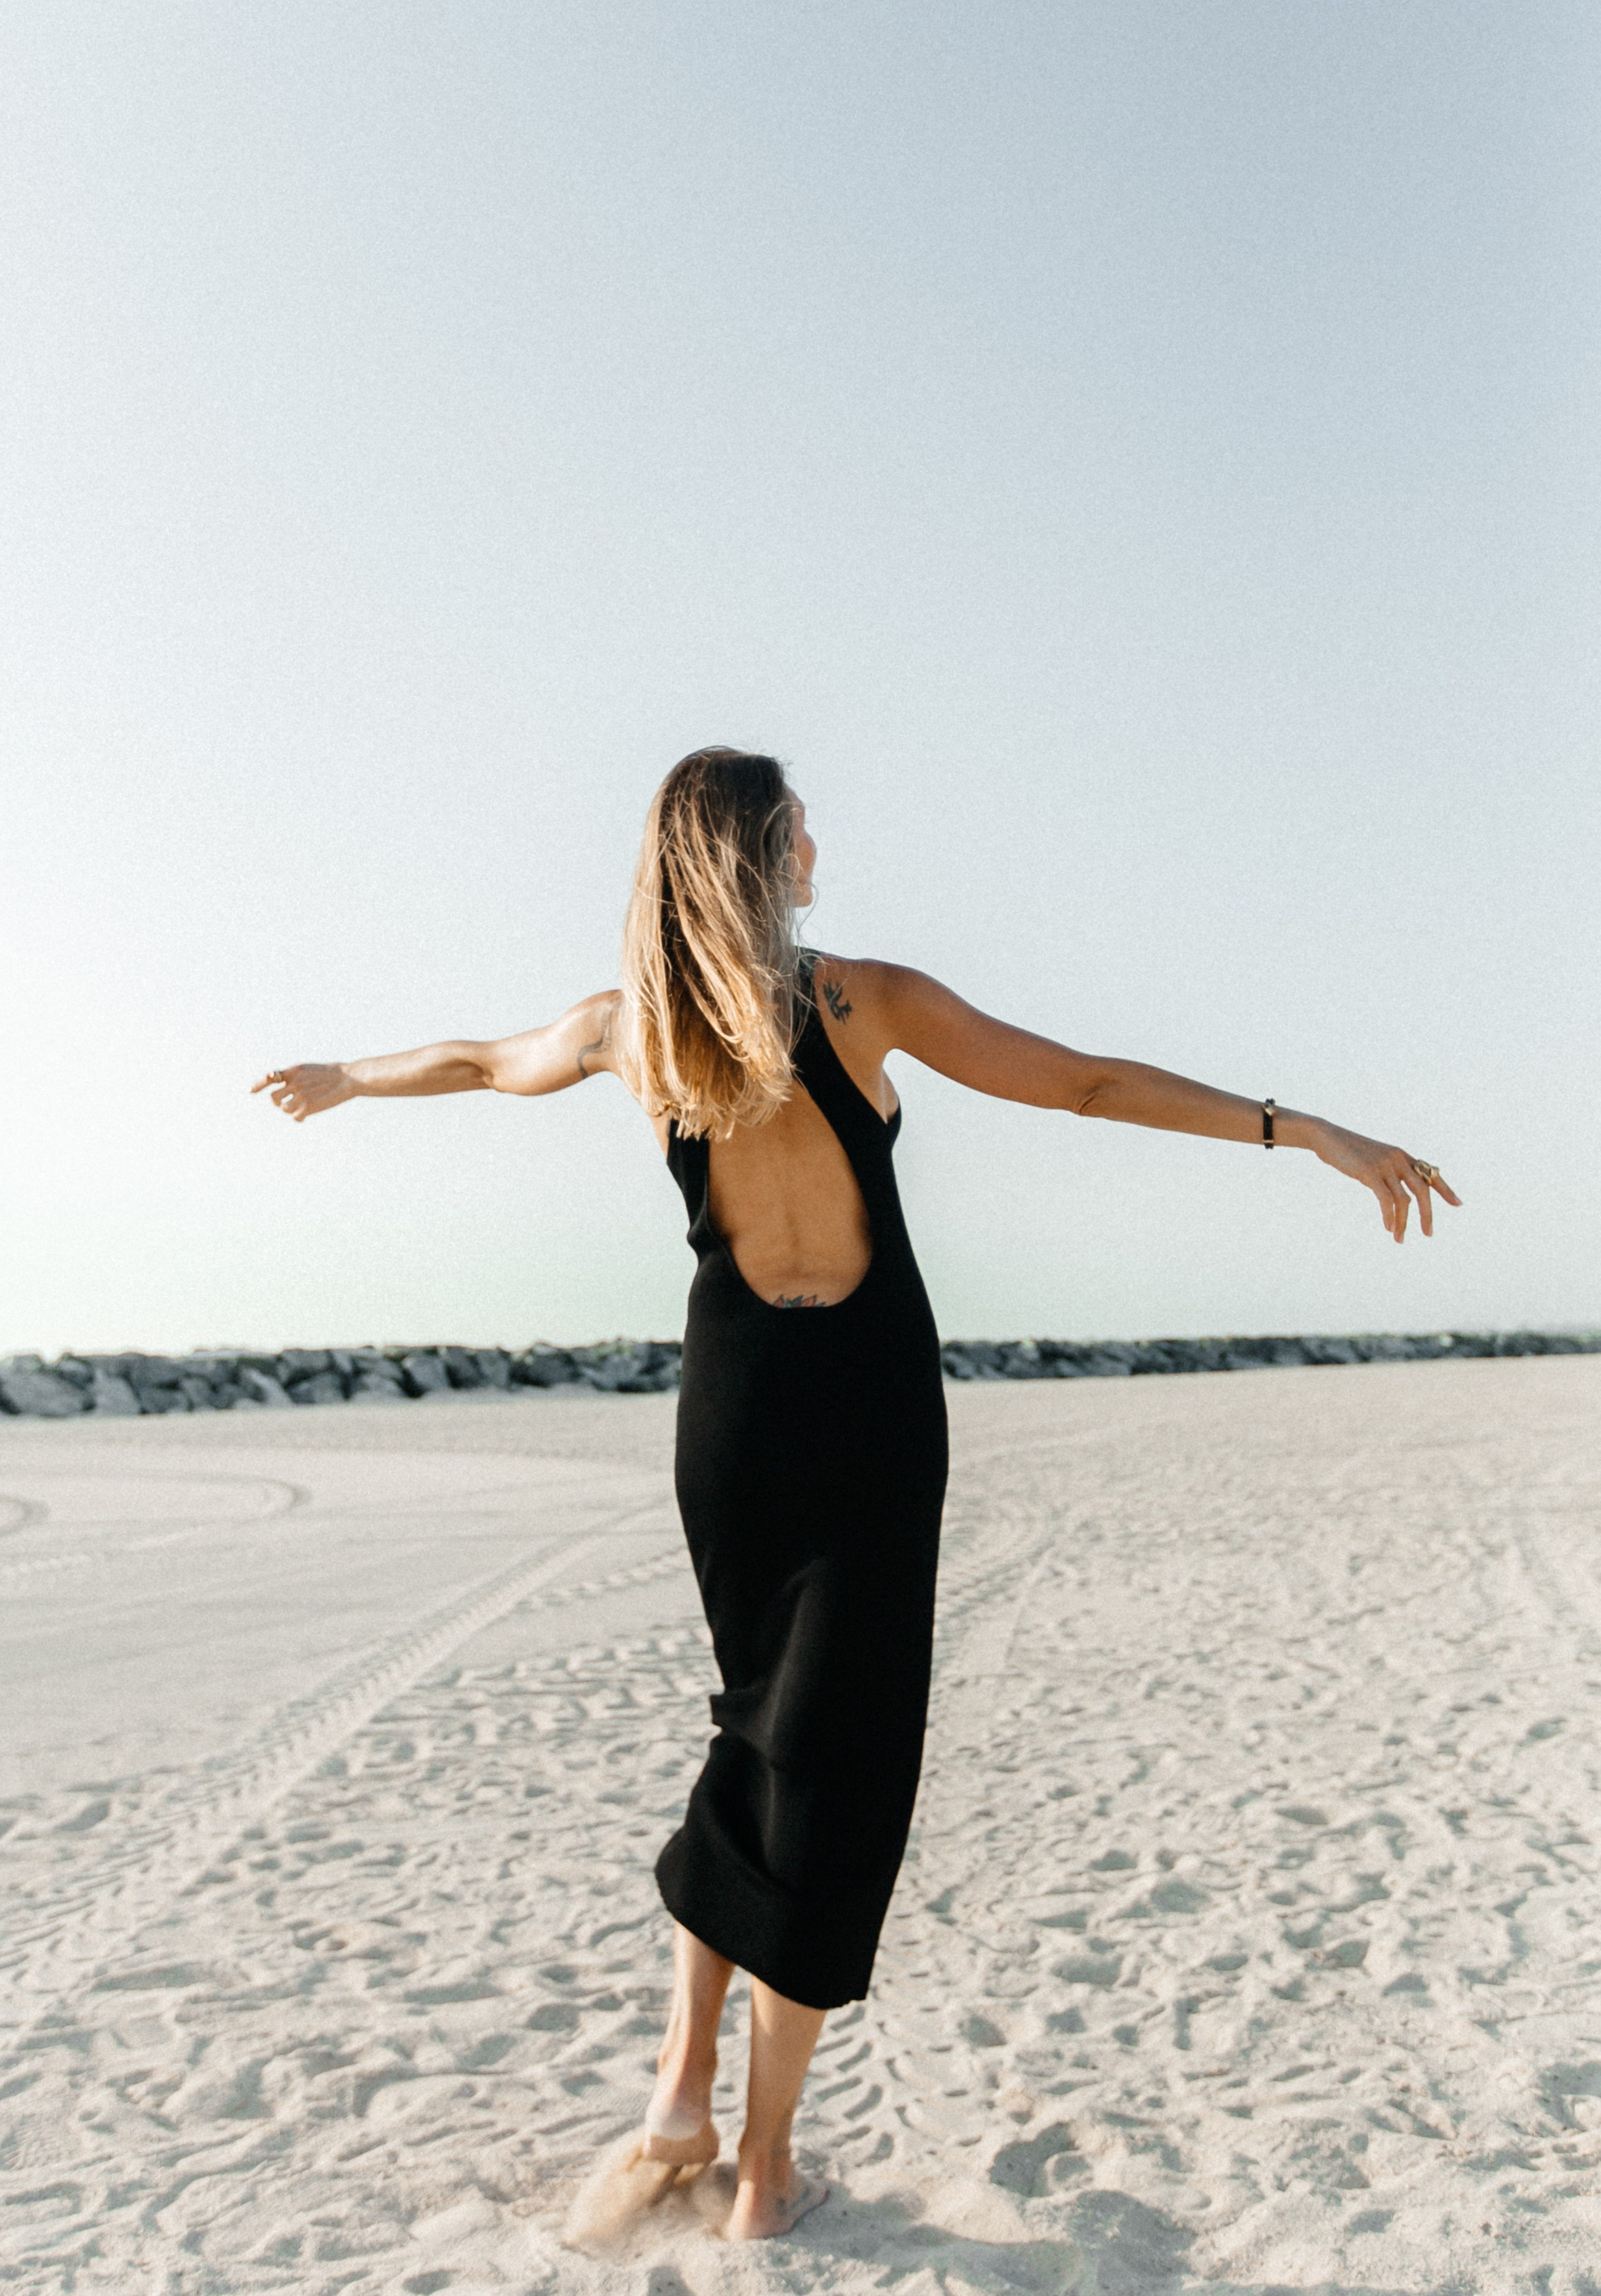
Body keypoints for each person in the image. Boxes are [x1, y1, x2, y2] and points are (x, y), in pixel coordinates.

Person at [254, 743, 1459, 2242]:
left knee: (758, 1730)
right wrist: (1304, 1130)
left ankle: (680, 2100)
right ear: (760, 854)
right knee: (837, 1769)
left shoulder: (630, 1031)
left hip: (734, 1411)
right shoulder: (857, 1000)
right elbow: (1082, 1083)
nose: (820, 846)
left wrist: (343, 1078)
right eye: (803, 829)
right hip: (870, 1408)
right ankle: (758, 2172)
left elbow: (478, 1064)